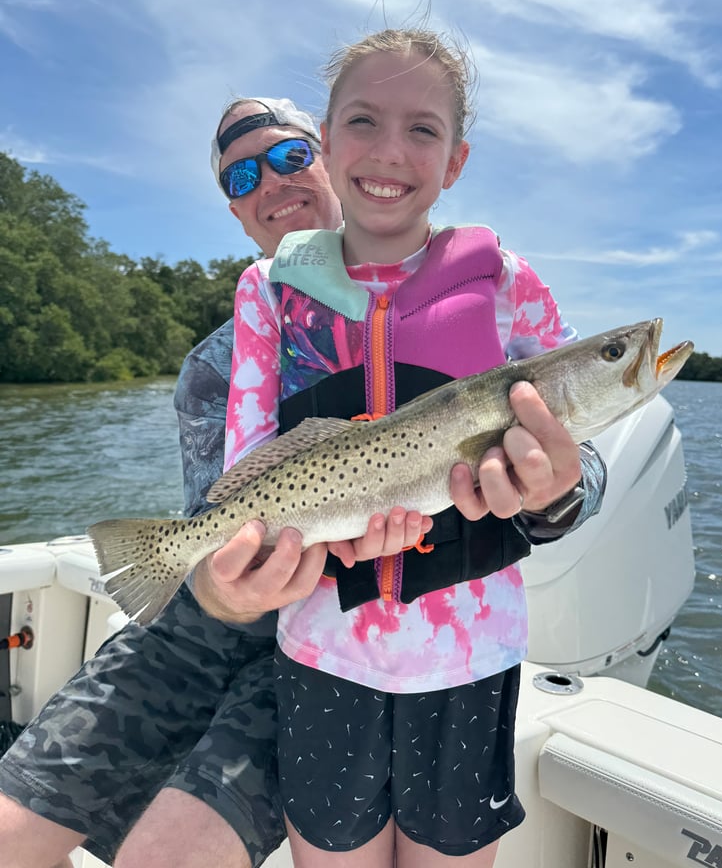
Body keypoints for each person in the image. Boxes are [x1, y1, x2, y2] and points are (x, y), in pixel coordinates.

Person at [0, 92, 603, 868]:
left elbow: (582, 468)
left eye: (287, 156)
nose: (270, 183)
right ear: (235, 212)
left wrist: (550, 491)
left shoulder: (473, 304)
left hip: (328, 649)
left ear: (330, 159)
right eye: (240, 176)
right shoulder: (212, 366)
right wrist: (222, 588)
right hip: (195, 633)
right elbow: (219, 530)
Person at [195, 30, 606, 868]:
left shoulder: (507, 283)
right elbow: (241, 473)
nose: (390, 151)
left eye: (422, 130)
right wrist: (236, 570)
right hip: (319, 651)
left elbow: (583, 469)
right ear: (331, 140)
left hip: (470, 657)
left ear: (455, 162)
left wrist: (555, 490)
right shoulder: (266, 292)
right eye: (363, 121)